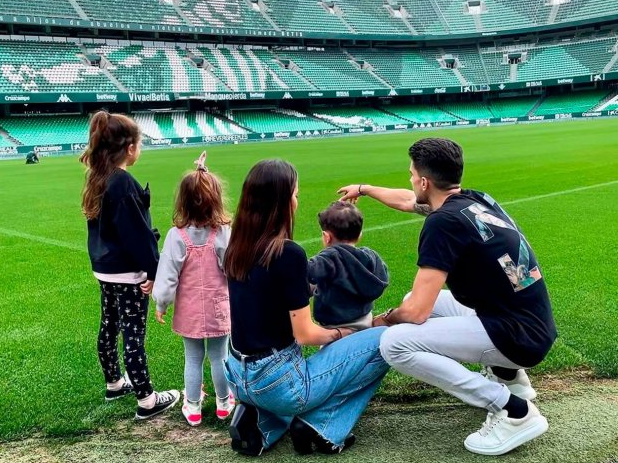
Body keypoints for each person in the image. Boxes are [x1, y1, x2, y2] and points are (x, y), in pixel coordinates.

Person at [338, 137, 557, 456]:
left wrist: (383, 319)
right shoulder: (475, 200)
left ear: (424, 181)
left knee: (394, 342)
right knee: (423, 297)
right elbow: (406, 200)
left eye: (412, 174)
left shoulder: (443, 223)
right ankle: (512, 379)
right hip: (530, 321)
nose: (411, 180)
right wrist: (365, 188)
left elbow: (415, 313)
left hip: (516, 337)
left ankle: (513, 411)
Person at [223, 159, 389, 456]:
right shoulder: (287, 253)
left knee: (286, 385)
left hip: (237, 375)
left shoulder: (237, 245)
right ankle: (323, 427)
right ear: (284, 201)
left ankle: (263, 423)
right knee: (386, 342)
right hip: (278, 381)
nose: (297, 201)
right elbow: (306, 335)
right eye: (295, 194)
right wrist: (346, 333)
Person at [80, 110, 179, 420]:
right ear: (130, 148)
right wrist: (154, 273)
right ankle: (147, 400)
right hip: (126, 272)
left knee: (109, 326)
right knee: (133, 334)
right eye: (140, 142)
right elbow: (138, 237)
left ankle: (114, 383)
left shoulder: (99, 176)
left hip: (105, 268)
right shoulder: (122, 183)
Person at [152, 151, 235, 426]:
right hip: (219, 308)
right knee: (219, 357)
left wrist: (161, 303)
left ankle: (193, 406)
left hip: (189, 311)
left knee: (193, 358)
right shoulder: (223, 232)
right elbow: (232, 268)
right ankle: (224, 403)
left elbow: (167, 277)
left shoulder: (177, 236)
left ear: (183, 203)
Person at [308, 201, 389, 330]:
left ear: (326, 236)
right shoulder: (371, 256)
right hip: (365, 320)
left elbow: (304, 272)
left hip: (335, 327)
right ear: (360, 234)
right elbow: (382, 275)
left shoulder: (328, 258)